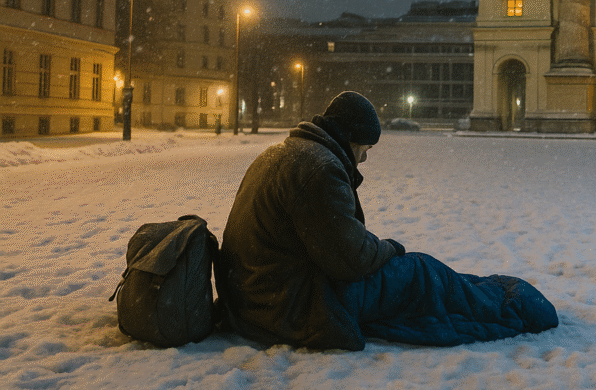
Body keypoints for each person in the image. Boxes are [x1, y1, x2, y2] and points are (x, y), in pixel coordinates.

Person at [216, 91, 557, 350]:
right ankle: (512, 306)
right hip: (290, 307)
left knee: (420, 276)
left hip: (254, 299)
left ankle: (479, 295)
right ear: (352, 138)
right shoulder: (319, 168)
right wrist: (392, 249)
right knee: (420, 274)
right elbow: (351, 261)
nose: (364, 158)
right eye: (365, 148)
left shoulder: (282, 154)